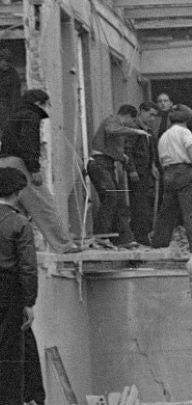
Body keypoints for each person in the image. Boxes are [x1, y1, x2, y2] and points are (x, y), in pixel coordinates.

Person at [0, 89, 74, 253]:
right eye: (47, 104)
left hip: (4, 161)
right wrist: (34, 168)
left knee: (15, 208)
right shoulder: (31, 115)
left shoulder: (15, 114)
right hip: (20, 163)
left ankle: (13, 249)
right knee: (43, 204)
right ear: (39, 103)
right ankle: (63, 245)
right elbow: (29, 141)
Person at [0, 167, 37, 405]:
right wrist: (29, 301)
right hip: (8, 290)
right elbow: (27, 267)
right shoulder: (19, 223)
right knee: (11, 352)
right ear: (17, 192)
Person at [87, 104, 151, 246]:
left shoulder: (118, 127)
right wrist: (136, 132)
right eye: (133, 121)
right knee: (111, 196)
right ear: (128, 116)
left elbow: (112, 148)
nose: (132, 124)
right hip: (99, 164)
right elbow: (111, 130)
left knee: (117, 201)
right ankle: (101, 234)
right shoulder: (113, 121)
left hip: (106, 165)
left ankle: (124, 239)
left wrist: (123, 158)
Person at [150, 105, 192, 252]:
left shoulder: (164, 136)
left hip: (168, 173)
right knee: (191, 213)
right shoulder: (184, 132)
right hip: (183, 171)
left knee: (167, 213)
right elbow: (191, 151)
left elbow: (161, 159)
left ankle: (159, 244)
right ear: (186, 120)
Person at [128, 101, 160, 244]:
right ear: (141, 111)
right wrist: (132, 170)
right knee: (140, 206)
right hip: (137, 174)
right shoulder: (134, 129)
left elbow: (152, 151)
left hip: (146, 173)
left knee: (145, 204)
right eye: (150, 114)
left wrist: (153, 165)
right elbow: (128, 150)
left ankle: (143, 235)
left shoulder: (149, 131)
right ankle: (139, 237)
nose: (152, 118)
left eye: (154, 116)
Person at [0, 50, 22, 136]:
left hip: (6, 106)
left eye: (9, 61)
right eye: (5, 61)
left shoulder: (13, 74)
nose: (7, 64)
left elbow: (16, 94)